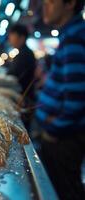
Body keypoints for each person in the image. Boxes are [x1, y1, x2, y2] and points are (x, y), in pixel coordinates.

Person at [36, 0, 85, 199]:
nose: (44, 6)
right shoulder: (72, 34)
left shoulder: (74, 38)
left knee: (63, 191)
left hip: (64, 138)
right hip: (63, 134)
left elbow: (77, 99)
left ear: (70, 3)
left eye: (50, 1)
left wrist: (54, 130)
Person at [7, 24, 37, 131]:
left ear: (22, 37)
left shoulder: (25, 54)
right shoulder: (22, 53)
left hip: (24, 98)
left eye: (12, 35)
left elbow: (13, 76)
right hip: (24, 97)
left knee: (23, 131)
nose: (9, 38)